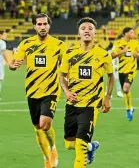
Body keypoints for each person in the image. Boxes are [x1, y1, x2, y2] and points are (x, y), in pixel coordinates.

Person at [10, 13, 65, 168]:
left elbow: (67, 65)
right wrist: (12, 65)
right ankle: (46, 156)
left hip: (51, 91)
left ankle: (53, 147)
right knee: (37, 128)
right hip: (32, 91)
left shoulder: (59, 45)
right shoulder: (26, 44)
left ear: (49, 25)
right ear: (34, 26)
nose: (42, 27)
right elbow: (14, 61)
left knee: (45, 124)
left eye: (45, 24)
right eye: (39, 24)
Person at [60, 17, 114, 167]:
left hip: (91, 105)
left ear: (95, 32)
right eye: (83, 28)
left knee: (80, 147)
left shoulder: (103, 54)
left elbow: (111, 76)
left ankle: (86, 149)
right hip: (72, 104)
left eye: (90, 28)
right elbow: (62, 75)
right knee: (69, 144)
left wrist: (107, 97)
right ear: (78, 32)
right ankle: (92, 147)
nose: (87, 31)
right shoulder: (69, 53)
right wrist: (66, 91)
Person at [111, 27, 139, 121]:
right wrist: (122, 52)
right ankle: (130, 108)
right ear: (125, 33)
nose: (133, 34)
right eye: (131, 32)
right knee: (125, 91)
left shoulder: (135, 43)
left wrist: (137, 55)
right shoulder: (118, 43)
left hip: (131, 70)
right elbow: (112, 55)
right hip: (121, 70)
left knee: (126, 88)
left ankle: (128, 109)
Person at [0, 30, 11, 100]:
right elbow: (3, 53)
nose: (5, 36)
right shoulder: (2, 42)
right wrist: (8, 62)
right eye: (4, 34)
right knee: (0, 79)